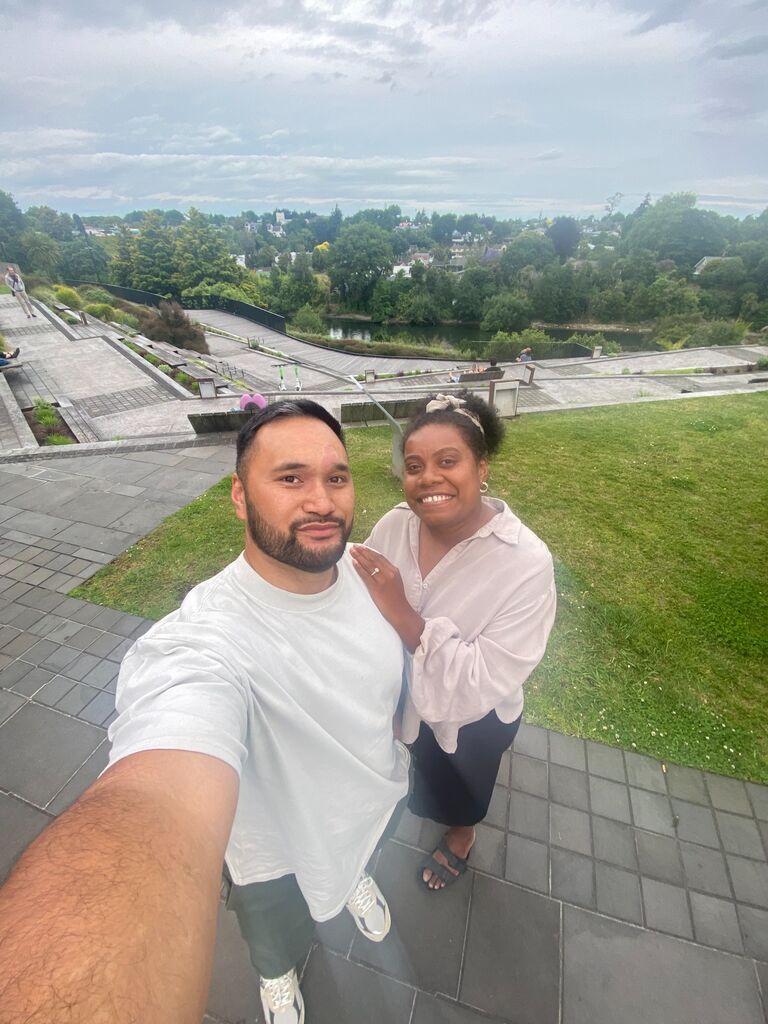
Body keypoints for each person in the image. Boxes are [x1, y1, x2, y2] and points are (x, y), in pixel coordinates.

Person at [0, 400, 409, 1024]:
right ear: (241, 497)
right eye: (291, 478)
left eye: (336, 477)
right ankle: (275, 979)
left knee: (354, 857)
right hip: (271, 853)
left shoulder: (361, 571)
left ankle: (347, 875)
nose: (323, 502)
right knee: (271, 938)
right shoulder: (207, 637)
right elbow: (159, 792)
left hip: (365, 810)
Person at [350, 391, 556, 891]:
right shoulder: (394, 524)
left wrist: (404, 616)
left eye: (449, 461)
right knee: (412, 764)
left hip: (472, 720)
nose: (428, 478)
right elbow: (354, 602)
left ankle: (461, 833)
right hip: (396, 698)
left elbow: (483, 679)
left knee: (460, 784)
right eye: (414, 465)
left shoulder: (525, 563)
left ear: (482, 468)